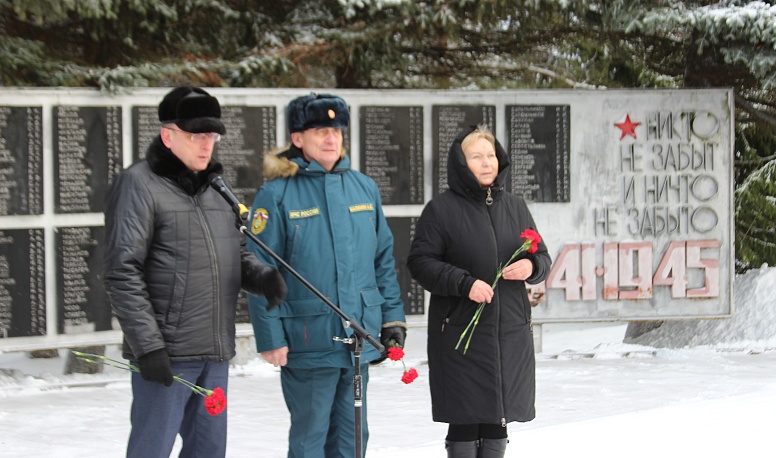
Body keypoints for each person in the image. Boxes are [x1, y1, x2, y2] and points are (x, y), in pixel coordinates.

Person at [104, 86, 287, 458]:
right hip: (166, 354)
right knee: (151, 449)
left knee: (208, 451)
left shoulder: (216, 188)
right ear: (168, 135)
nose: (206, 145)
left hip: (214, 352)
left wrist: (261, 277)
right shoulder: (139, 184)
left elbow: (235, 254)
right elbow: (122, 270)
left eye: (212, 136)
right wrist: (149, 345)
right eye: (196, 135)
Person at [246, 93, 407, 458]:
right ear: (298, 138)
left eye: (336, 129)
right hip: (308, 340)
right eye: (320, 130)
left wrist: (392, 319)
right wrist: (270, 337)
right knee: (310, 441)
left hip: (358, 339)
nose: (331, 138)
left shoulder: (364, 187)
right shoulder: (276, 194)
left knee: (352, 440)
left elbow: (382, 260)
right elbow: (258, 270)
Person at [407, 124, 552, 458]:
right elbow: (420, 262)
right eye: (476, 157)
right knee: (465, 415)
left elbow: (541, 255)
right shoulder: (441, 209)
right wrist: (464, 283)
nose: (487, 163)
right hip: (461, 334)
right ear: (461, 163)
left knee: (497, 413)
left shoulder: (515, 206)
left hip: (508, 331)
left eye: (490, 155)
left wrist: (531, 268)